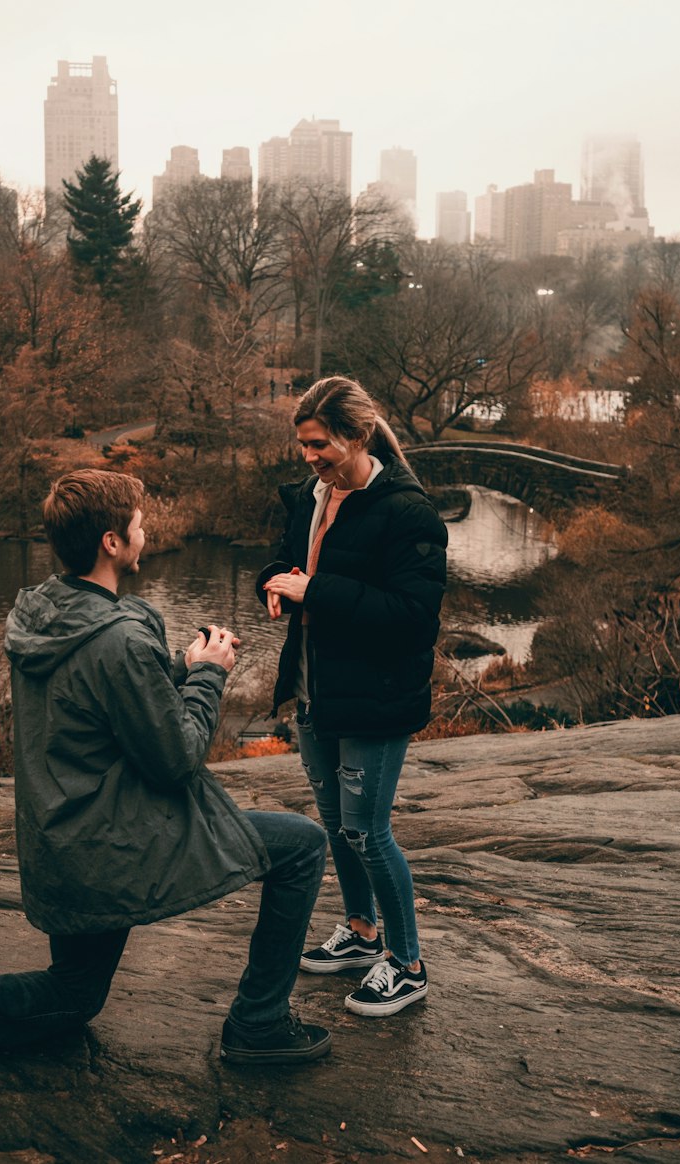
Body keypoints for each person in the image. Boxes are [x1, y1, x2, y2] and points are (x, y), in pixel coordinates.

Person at [0, 468, 330, 1102]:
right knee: (301, 845)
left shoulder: (40, 612)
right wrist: (210, 677)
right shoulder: (116, 639)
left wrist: (178, 664)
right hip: (116, 841)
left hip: (62, 840)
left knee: (75, 996)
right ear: (112, 542)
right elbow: (178, 758)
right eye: (139, 523)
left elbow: (99, 695)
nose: (147, 531)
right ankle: (259, 1024)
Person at [257, 375, 447, 1018]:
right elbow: (285, 559)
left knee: (369, 831)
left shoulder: (407, 511)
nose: (309, 457)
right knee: (336, 823)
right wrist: (274, 584)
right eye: (303, 445)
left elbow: (416, 616)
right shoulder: (312, 495)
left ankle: (408, 963)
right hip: (317, 687)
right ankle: (362, 932)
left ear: (358, 436)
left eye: (319, 445)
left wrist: (318, 592)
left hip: (377, 694)